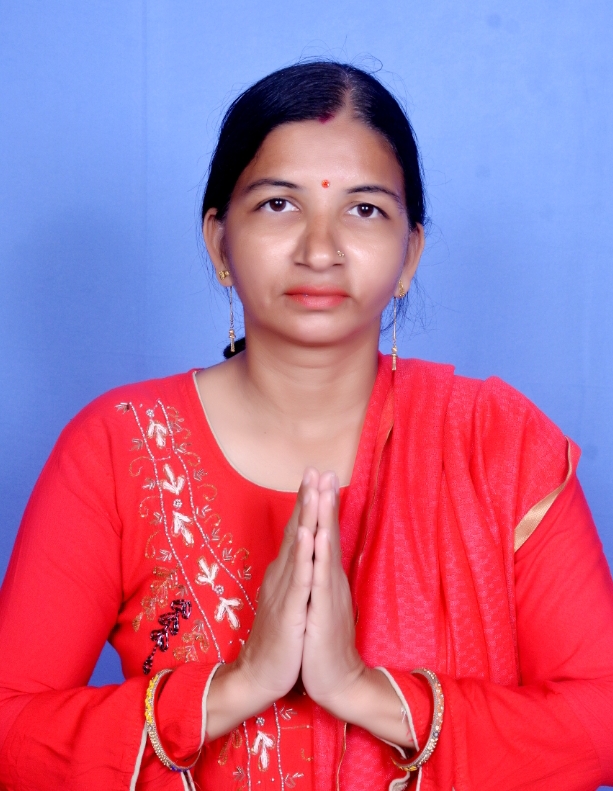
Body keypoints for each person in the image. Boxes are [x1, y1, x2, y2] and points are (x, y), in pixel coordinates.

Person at [1, 60, 613, 791]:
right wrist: (237, 685)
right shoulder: (119, 446)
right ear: (218, 242)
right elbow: (10, 730)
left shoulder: (497, 446)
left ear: (410, 253)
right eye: (278, 204)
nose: (319, 250)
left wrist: (362, 689)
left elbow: (599, 719)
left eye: (364, 210)